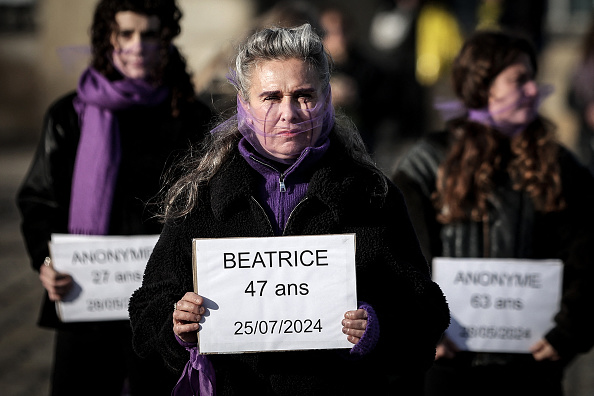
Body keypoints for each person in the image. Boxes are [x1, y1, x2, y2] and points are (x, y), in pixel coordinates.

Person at [128, 23, 450, 395]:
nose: (289, 113)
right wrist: (176, 324)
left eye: (304, 96)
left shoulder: (372, 196)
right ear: (244, 104)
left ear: (327, 98)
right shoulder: (203, 197)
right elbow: (147, 307)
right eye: (271, 97)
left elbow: (425, 311)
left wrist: (375, 330)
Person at [16, 0, 212, 394]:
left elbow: (207, 208)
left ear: (166, 38)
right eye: (125, 33)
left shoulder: (192, 119)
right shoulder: (67, 116)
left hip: (163, 305)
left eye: (149, 34)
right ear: (108, 39)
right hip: (86, 300)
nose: (137, 45)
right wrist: (47, 261)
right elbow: (39, 201)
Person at [392, 30, 594, 396]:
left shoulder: (561, 168)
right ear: (483, 87)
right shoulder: (425, 165)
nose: (535, 90)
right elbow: (400, 258)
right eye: (520, 79)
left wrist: (569, 333)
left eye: (533, 78)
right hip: (450, 368)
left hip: (532, 371)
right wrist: (423, 330)